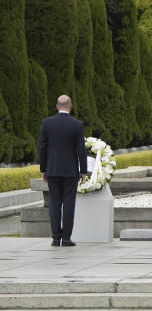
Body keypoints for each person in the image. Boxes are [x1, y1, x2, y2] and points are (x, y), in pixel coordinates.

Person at [38, 95, 89, 247]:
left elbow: (42, 147)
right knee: (68, 203)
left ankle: (55, 238)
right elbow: (81, 149)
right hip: (70, 170)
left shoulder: (46, 123)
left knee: (54, 204)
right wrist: (83, 171)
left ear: (57, 106)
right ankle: (66, 238)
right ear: (70, 106)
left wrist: (43, 169)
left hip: (52, 169)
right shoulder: (77, 124)